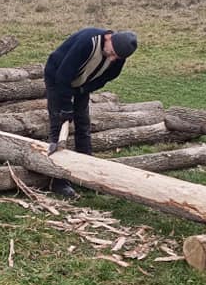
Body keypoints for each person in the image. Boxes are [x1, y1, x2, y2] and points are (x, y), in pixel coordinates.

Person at [44, 27, 138, 197]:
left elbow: (107, 77)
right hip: (57, 77)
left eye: (116, 57)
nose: (112, 58)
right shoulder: (88, 42)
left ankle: (86, 172)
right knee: (58, 125)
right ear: (109, 38)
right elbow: (63, 75)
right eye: (112, 53)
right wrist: (65, 107)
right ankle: (57, 181)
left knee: (83, 124)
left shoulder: (119, 55)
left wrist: (84, 89)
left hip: (82, 84)